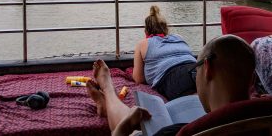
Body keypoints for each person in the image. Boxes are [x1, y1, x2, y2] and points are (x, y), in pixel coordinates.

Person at [87, 34, 256, 136]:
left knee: (135, 124)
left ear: (207, 69)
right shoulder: (264, 113)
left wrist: (123, 128)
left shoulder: (187, 132)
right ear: (253, 79)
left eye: (195, 68)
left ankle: (108, 91)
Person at [133, 5, 196, 100]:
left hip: (174, 76)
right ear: (166, 28)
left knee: (193, 100)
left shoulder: (142, 44)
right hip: (197, 67)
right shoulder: (178, 37)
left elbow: (139, 78)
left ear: (146, 30)